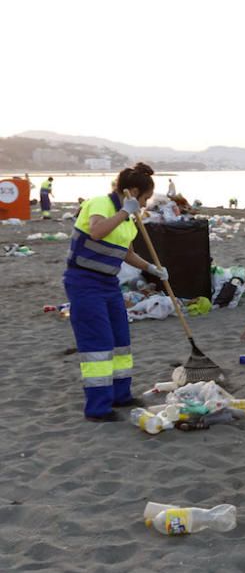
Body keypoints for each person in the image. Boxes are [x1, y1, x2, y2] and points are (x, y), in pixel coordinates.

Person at [64, 163, 168, 422]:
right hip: (84, 281)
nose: (144, 205)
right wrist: (124, 211)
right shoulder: (101, 204)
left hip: (109, 283)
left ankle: (121, 395)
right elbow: (98, 232)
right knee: (98, 344)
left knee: (121, 340)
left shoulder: (130, 219)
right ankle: (98, 408)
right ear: (132, 192)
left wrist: (152, 268)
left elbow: (127, 253)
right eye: (144, 199)